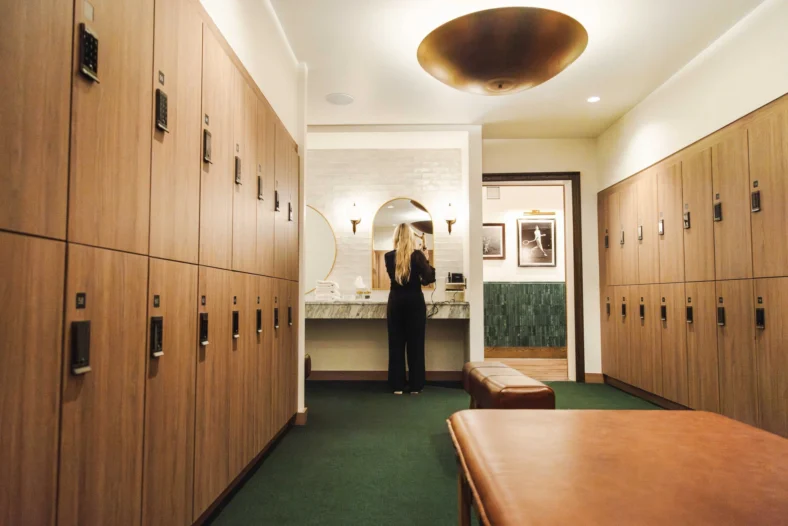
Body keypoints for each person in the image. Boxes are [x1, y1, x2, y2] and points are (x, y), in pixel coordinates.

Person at [385, 223, 436, 395]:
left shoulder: (388, 257)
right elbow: (428, 279)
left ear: (396, 237)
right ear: (411, 237)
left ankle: (397, 385)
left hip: (396, 303)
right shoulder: (418, 256)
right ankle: (416, 385)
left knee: (396, 344)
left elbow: (397, 278)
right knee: (416, 344)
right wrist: (426, 259)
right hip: (415, 303)